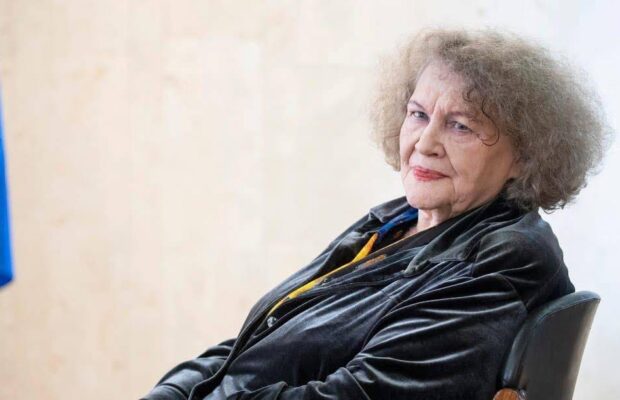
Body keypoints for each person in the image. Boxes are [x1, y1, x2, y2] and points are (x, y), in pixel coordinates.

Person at [141, 28, 610, 400]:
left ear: (525, 156)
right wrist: (173, 392)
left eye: (460, 126)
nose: (425, 143)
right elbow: (258, 342)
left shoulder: (503, 260)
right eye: (418, 114)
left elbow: (366, 394)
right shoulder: (395, 221)